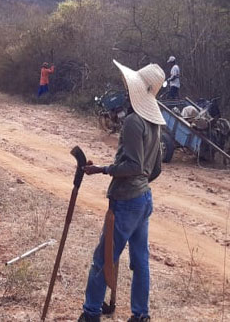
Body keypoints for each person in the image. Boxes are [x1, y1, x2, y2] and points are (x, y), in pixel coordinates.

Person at [78, 59, 165, 322]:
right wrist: (141, 183)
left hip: (127, 201)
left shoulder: (133, 122)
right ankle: (141, 315)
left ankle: (91, 313)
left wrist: (104, 169)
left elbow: (133, 165)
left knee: (102, 258)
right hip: (143, 199)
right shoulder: (154, 124)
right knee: (140, 262)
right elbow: (155, 168)